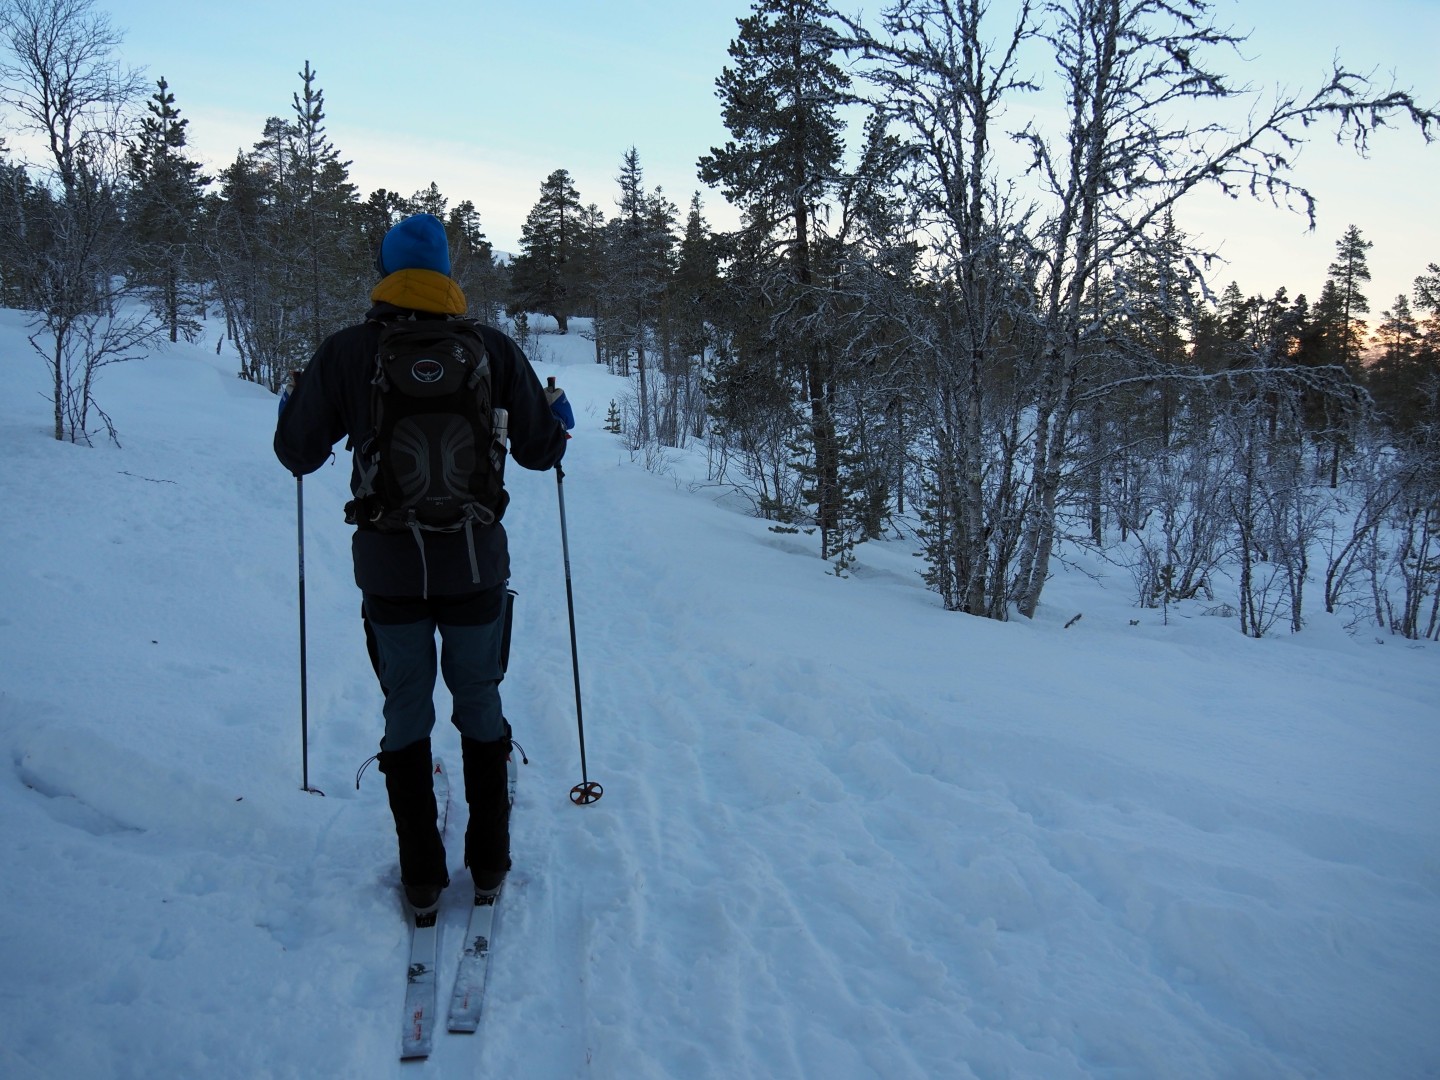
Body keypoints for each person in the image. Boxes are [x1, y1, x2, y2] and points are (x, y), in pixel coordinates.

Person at [274, 213, 572, 911]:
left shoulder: (348, 351)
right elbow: (540, 452)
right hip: (475, 566)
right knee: (480, 700)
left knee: (406, 706)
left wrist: (292, 405)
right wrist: (557, 417)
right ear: (446, 275)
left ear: (386, 273)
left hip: (390, 570)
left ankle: (421, 876)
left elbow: (298, 454)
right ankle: (490, 864)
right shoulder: (492, 349)